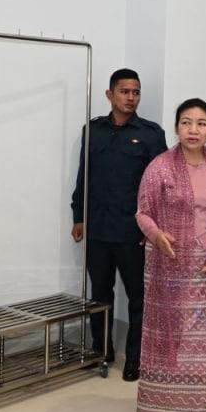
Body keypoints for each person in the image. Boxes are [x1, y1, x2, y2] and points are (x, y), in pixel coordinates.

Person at [135, 99, 206, 412]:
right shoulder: (160, 167)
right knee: (170, 338)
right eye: (186, 122)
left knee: (204, 341)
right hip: (169, 266)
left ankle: (201, 407)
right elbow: (142, 213)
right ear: (177, 127)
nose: (193, 130)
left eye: (201, 123)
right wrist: (157, 235)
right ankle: (167, 411)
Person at [70, 69, 167, 381]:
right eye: (125, 91)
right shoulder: (93, 130)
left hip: (133, 232)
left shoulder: (151, 134)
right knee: (100, 294)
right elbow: (84, 176)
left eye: (136, 92)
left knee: (139, 297)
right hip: (98, 227)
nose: (131, 97)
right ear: (109, 94)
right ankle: (102, 350)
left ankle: (135, 358)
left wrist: (152, 229)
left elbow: (160, 187)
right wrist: (78, 216)